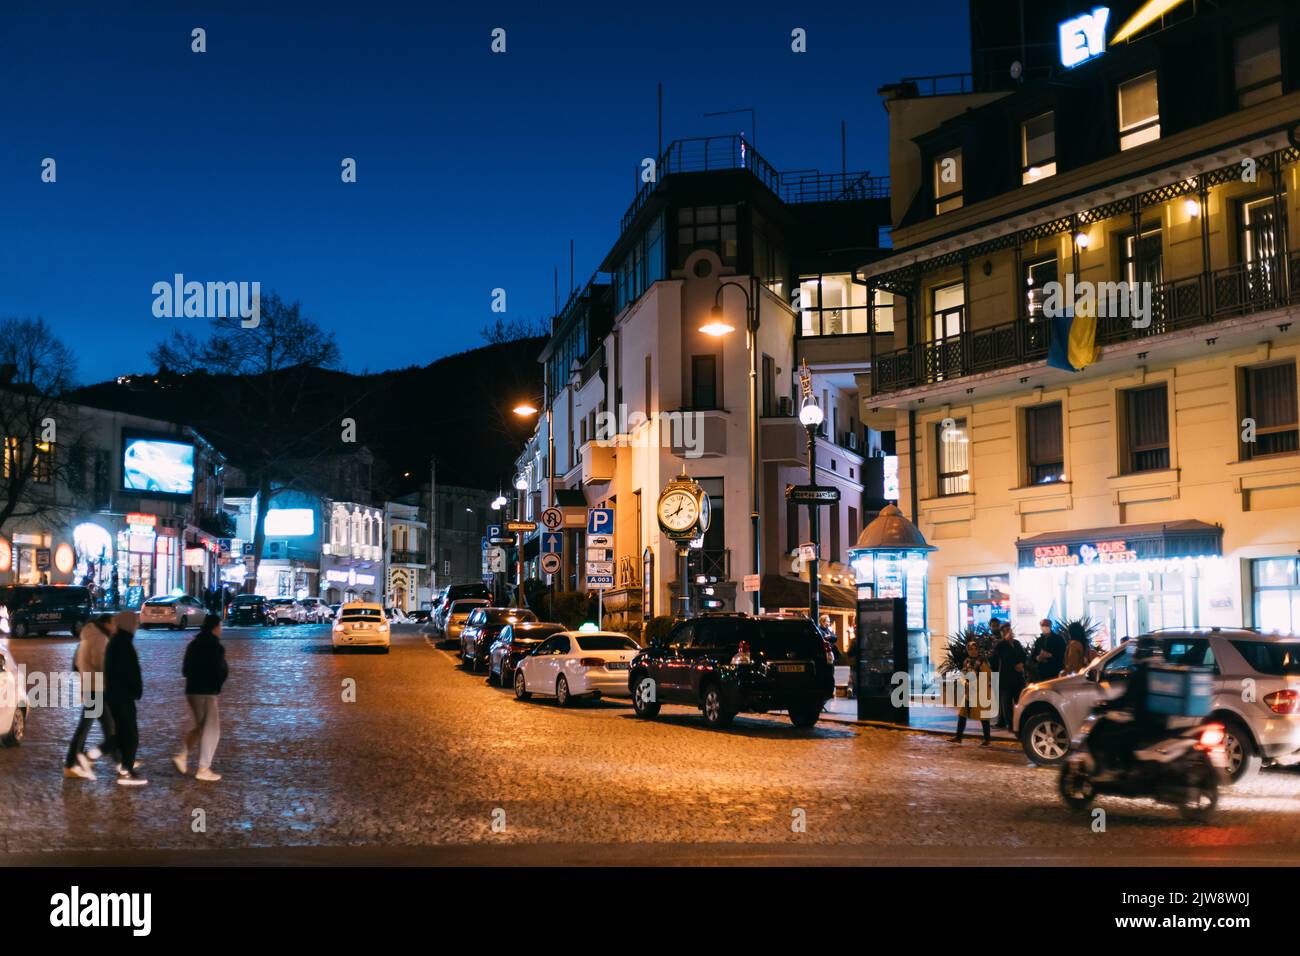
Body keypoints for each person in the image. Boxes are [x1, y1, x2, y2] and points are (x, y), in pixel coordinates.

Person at [174, 614, 228, 782]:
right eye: (220, 626)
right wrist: (216, 685)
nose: (221, 629)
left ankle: (182, 755)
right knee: (212, 730)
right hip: (206, 692)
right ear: (215, 627)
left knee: (201, 727)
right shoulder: (215, 646)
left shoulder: (193, 644)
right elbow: (219, 670)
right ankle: (203, 768)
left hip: (192, 690)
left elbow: (185, 669)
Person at [63, 615, 116, 780]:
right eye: (113, 624)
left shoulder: (87, 637)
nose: (115, 628)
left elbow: (75, 665)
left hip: (91, 686)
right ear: (106, 624)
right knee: (85, 728)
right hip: (97, 688)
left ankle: (122, 759)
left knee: (108, 726)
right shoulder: (100, 638)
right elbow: (103, 664)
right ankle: (71, 763)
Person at [105, 610, 147, 786]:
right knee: (130, 733)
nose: (136, 626)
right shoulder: (123, 644)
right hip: (123, 696)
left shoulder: (117, 641)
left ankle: (124, 766)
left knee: (124, 732)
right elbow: (128, 672)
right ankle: (127, 771)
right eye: (134, 622)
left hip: (116, 695)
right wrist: (135, 689)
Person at [950, 643, 994, 745]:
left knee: (983, 716)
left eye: (975, 649)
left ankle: (987, 739)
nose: (973, 651)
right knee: (962, 714)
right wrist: (964, 682)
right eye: (970, 649)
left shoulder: (983, 661)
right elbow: (963, 674)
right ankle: (958, 737)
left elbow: (988, 675)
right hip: (969, 692)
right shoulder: (967, 661)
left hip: (980, 691)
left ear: (978, 650)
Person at [991, 624, 1026, 729]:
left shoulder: (1016, 643)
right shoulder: (1000, 645)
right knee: (1006, 704)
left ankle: (1019, 723)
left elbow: (1023, 655)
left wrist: (1022, 664)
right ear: (1002, 633)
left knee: (1019, 702)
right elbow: (1004, 658)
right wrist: (1015, 664)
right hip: (1005, 679)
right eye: (1005, 631)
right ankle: (1010, 724)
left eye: (1009, 630)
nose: (1008, 632)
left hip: (1018, 679)